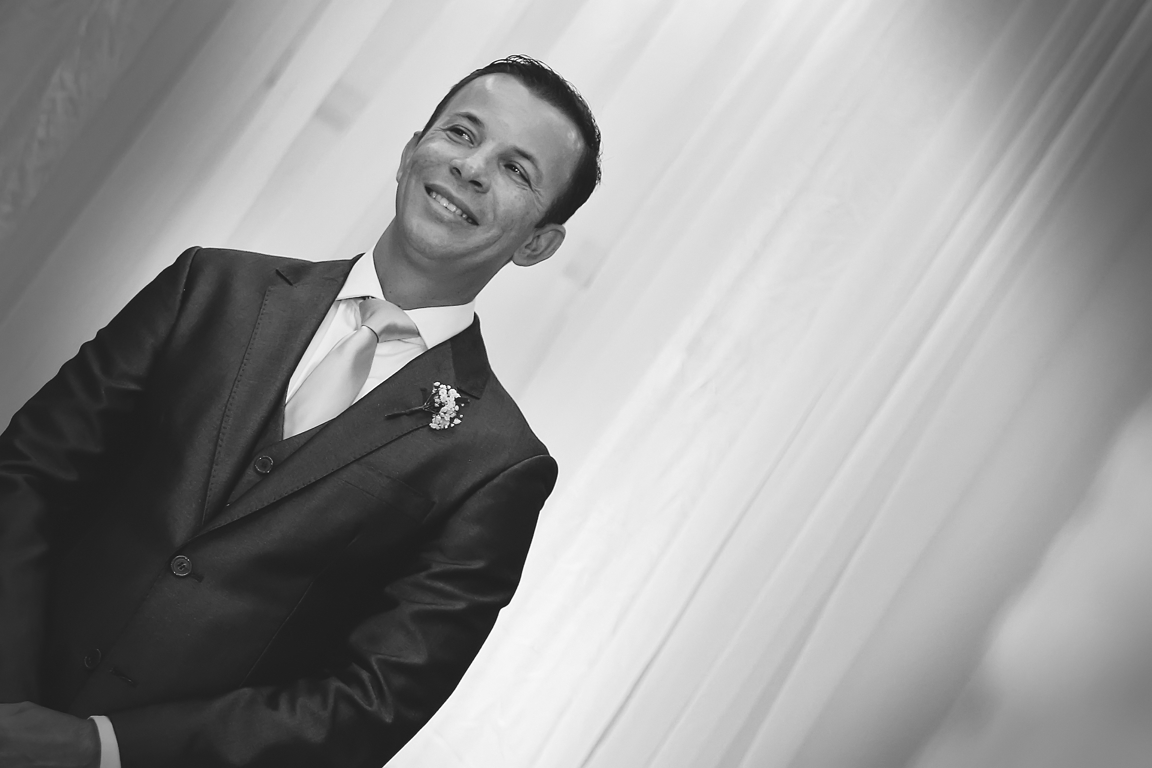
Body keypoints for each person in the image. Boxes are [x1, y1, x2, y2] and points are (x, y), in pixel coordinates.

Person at [0, 54, 601, 767]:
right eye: (462, 133)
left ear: (538, 243)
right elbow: (28, 473)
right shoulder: (209, 286)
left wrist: (99, 749)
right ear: (411, 151)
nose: (471, 168)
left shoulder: (498, 463)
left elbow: (373, 700)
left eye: (515, 170)